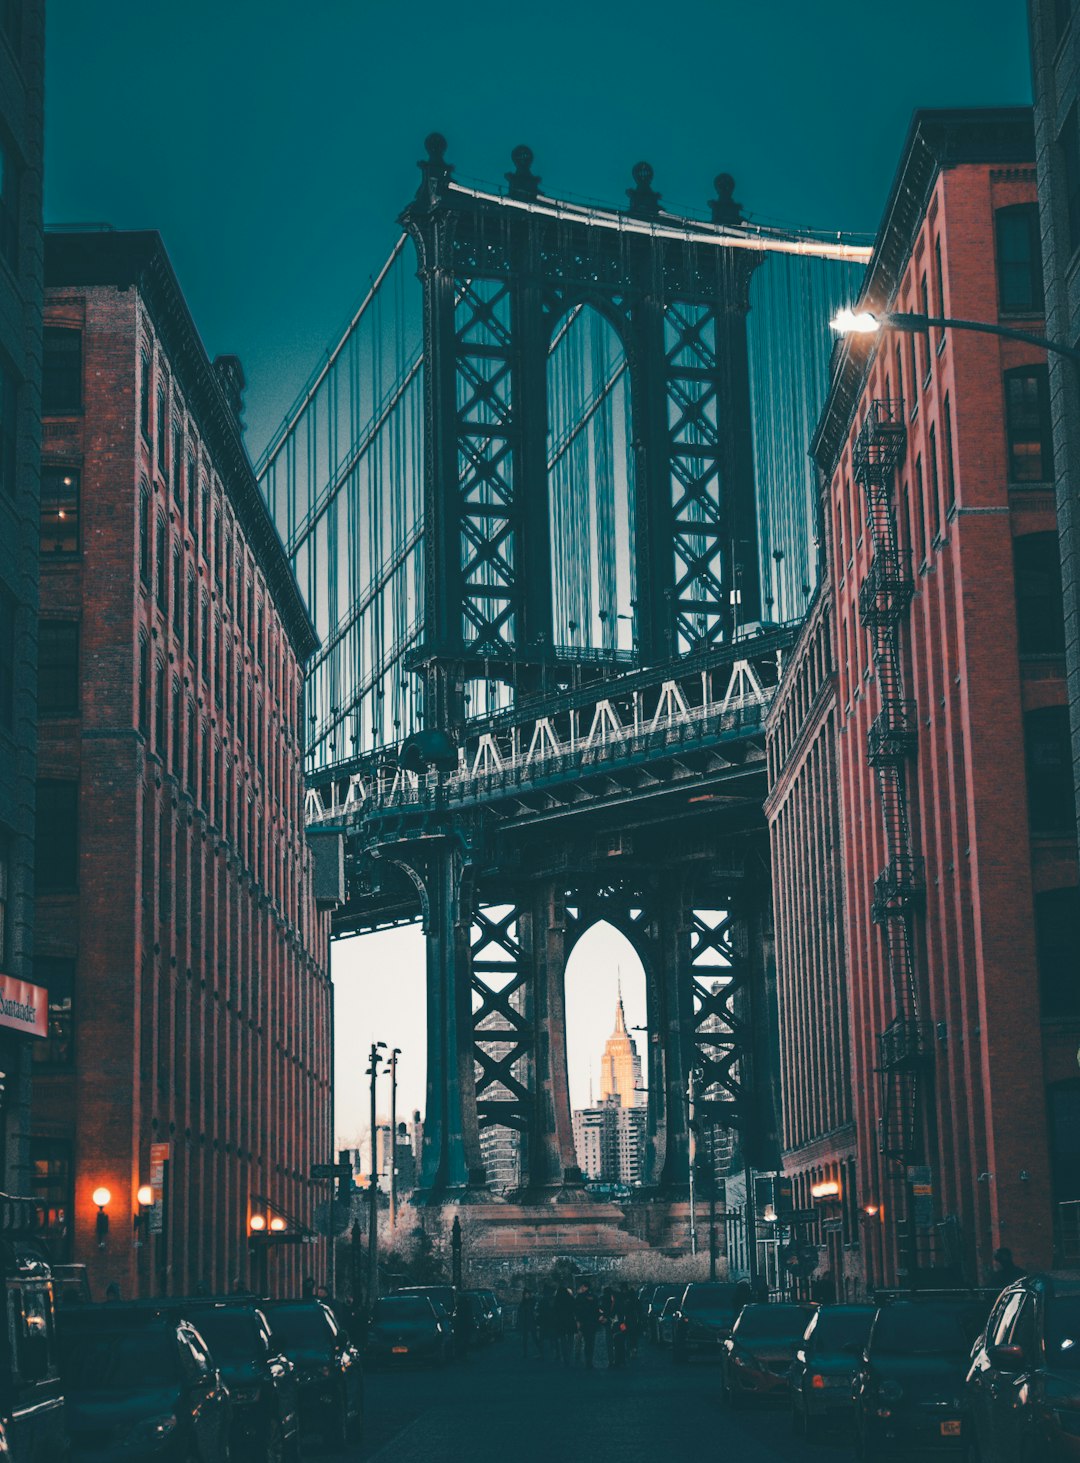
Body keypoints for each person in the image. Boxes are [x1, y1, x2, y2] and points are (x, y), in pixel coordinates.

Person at [573, 1282, 600, 1369]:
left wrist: (578, 1321)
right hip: (592, 1323)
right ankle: (589, 1361)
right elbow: (597, 1310)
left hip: (583, 1323)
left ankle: (580, 1357)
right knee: (590, 1343)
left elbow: (577, 1311)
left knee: (581, 1341)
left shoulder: (579, 1297)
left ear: (585, 1287)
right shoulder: (595, 1297)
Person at [552, 1282, 576, 1367]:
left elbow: (554, 1312)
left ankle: (566, 1357)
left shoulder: (557, 1301)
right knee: (570, 1340)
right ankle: (570, 1356)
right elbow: (575, 1308)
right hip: (570, 1321)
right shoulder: (570, 1299)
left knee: (563, 1341)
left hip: (561, 1322)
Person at [518, 1287, 540, 1358]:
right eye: (525, 1294)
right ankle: (525, 1353)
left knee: (534, 1337)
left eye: (527, 1294)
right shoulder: (523, 1303)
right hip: (525, 1322)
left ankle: (540, 1350)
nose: (526, 1295)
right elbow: (520, 1313)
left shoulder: (532, 1301)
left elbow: (534, 1310)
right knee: (525, 1339)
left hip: (531, 1321)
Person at [538, 1286, 557, 1359]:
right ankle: (554, 1354)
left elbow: (539, 1311)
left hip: (545, 1322)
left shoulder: (543, 1301)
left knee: (543, 1338)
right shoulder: (553, 1300)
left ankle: (542, 1354)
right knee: (552, 1338)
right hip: (551, 1322)